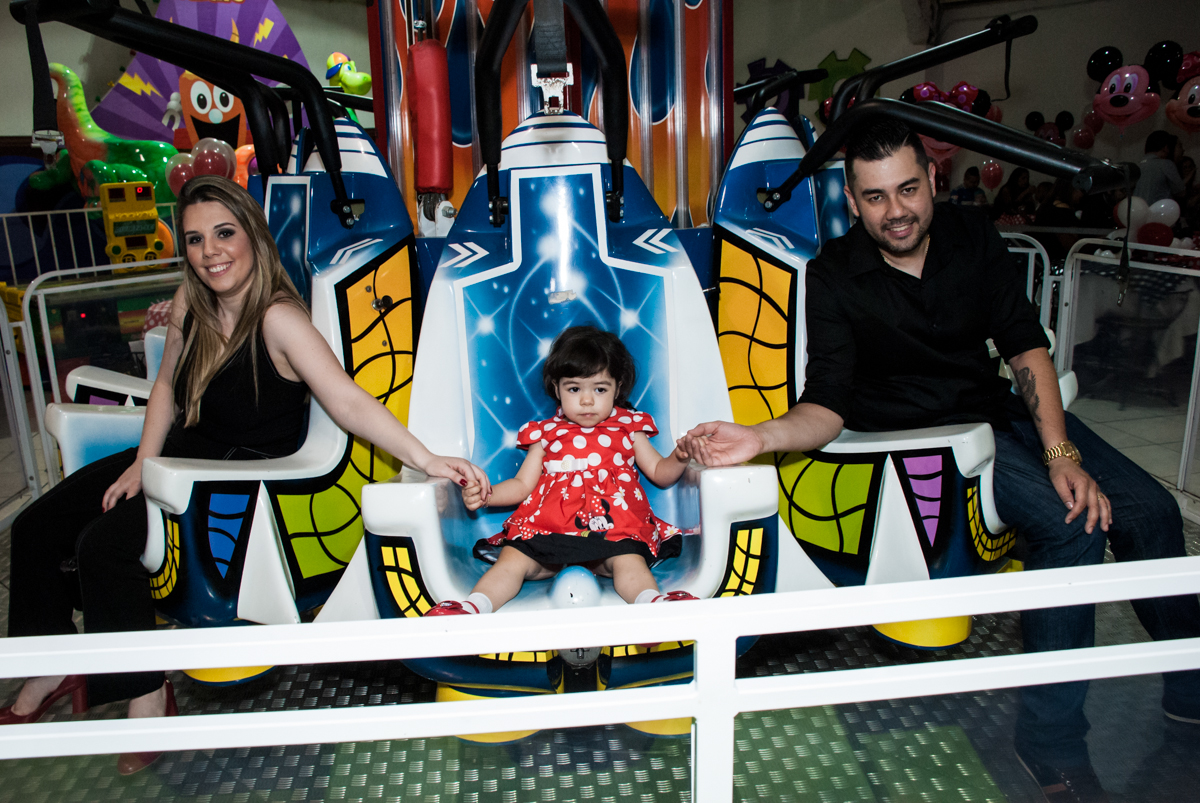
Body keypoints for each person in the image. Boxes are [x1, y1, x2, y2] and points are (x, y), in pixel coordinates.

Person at [683, 120, 1200, 803]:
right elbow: (829, 403)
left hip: (1000, 412)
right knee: (1072, 524)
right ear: (852, 197)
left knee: (1151, 511)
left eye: (906, 189)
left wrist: (1060, 449)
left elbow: (1023, 344)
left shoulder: (973, 237)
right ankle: (1049, 742)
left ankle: (1189, 692)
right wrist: (761, 436)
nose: (895, 211)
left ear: (933, 179)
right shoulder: (834, 273)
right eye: (874, 198)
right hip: (929, 435)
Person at [1, 176, 490, 772]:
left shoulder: (279, 319)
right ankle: (52, 660)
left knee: (103, 546)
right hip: (178, 455)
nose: (212, 252)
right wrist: (141, 463)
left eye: (224, 233)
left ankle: (150, 693)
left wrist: (427, 458)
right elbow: (164, 390)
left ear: (253, 237)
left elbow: (348, 401)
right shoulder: (192, 302)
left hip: (233, 479)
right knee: (35, 526)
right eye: (196, 239)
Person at [425, 326, 696, 616]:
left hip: (613, 530)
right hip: (546, 530)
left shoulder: (629, 427)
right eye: (574, 388)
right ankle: (471, 609)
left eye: (600, 389)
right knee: (512, 560)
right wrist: (486, 495)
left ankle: (653, 609)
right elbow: (521, 485)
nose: (587, 400)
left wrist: (679, 457)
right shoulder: (546, 434)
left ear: (618, 388)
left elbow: (659, 472)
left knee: (630, 562)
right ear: (557, 388)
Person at [1133, 130, 1185, 205]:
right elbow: (1181, 192)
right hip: (1158, 213)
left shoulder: (1139, 165)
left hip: (1138, 212)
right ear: (1166, 148)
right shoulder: (1166, 164)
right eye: (1180, 146)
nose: (1183, 150)